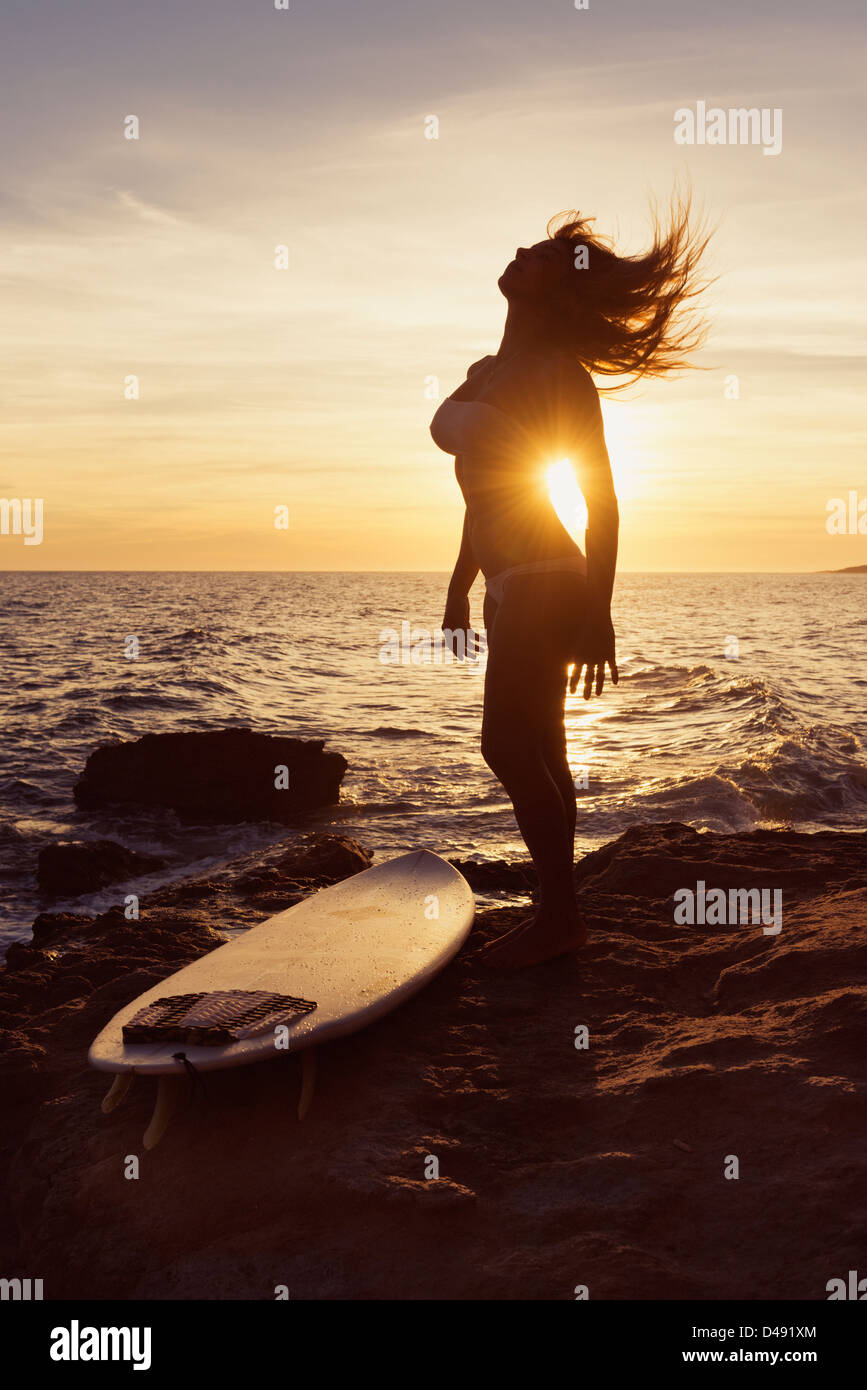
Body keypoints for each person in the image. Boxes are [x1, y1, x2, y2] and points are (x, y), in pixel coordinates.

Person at [430, 195, 711, 967]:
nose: (524, 250)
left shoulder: (561, 373)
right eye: (529, 245)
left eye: (544, 255)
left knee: (503, 747)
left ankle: (558, 918)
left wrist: (599, 612)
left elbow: (600, 500)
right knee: (545, 749)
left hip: (550, 581)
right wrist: (458, 588)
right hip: (506, 581)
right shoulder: (485, 370)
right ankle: (560, 915)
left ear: (557, 289)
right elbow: (488, 493)